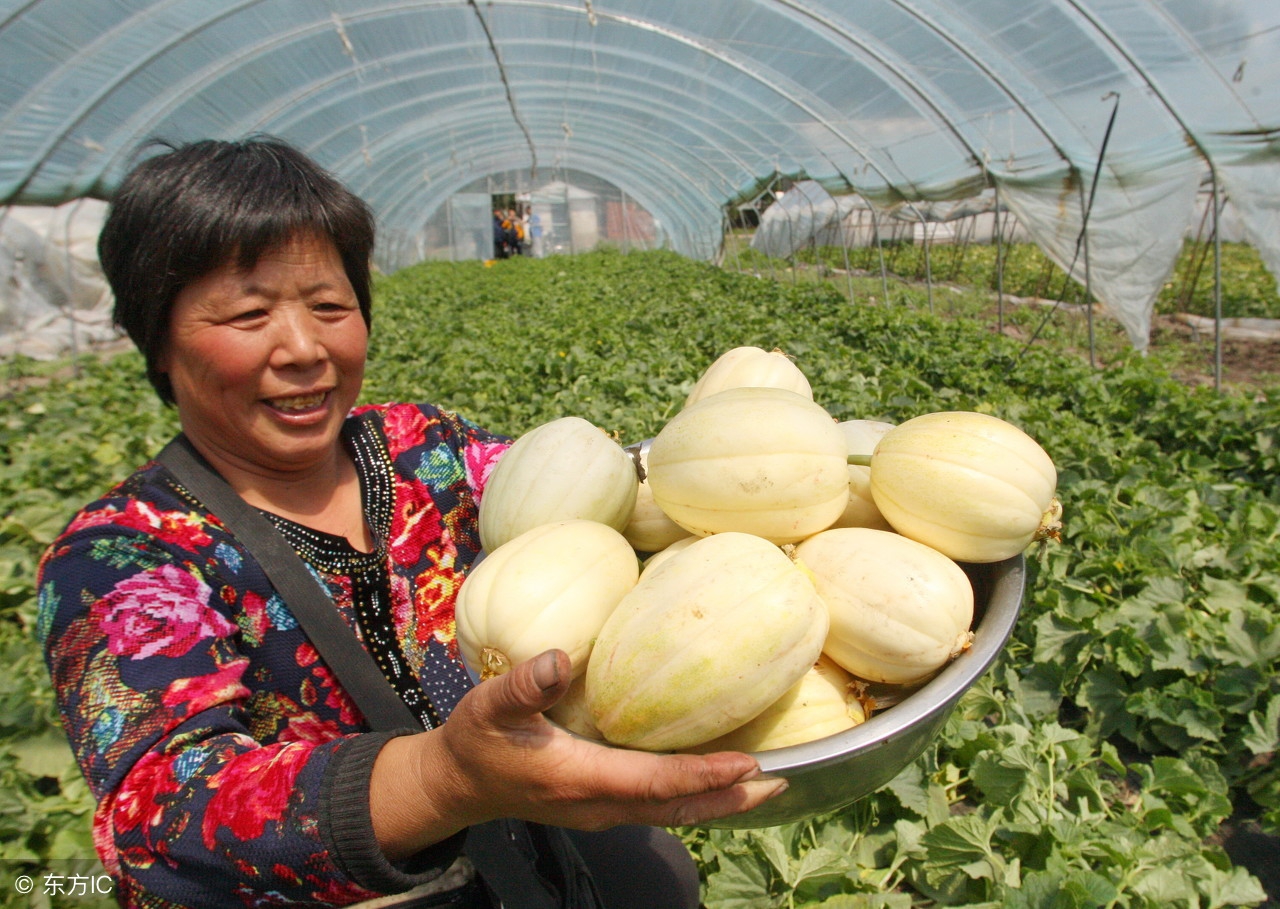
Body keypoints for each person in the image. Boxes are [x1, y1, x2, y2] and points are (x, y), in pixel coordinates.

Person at [35, 138, 787, 909]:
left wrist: (768, 478)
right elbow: (160, 819)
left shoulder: (426, 447)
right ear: (158, 339)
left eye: (330, 305)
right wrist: (444, 779)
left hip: (540, 863)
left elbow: (610, 499)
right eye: (247, 313)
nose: (304, 348)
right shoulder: (122, 557)